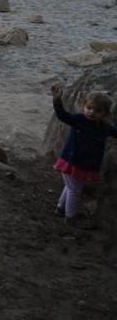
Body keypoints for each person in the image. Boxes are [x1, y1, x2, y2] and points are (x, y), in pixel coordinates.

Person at [50, 84, 116, 226]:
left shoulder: (104, 127)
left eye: (97, 110)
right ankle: (70, 218)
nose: (91, 112)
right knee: (75, 189)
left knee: (71, 186)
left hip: (85, 164)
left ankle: (61, 208)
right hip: (72, 162)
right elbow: (62, 115)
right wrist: (57, 100)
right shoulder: (79, 120)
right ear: (84, 106)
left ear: (105, 114)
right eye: (89, 108)